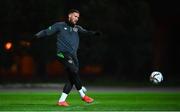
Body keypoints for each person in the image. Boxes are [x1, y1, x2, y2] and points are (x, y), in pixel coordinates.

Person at [34, 9, 101, 106]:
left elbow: (86, 32)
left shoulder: (77, 28)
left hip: (73, 56)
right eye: (75, 16)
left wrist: (94, 33)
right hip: (62, 53)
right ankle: (83, 94)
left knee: (71, 78)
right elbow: (45, 32)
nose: (76, 18)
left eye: (78, 17)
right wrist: (36, 36)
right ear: (69, 16)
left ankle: (61, 101)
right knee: (73, 71)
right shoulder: (59, 25)